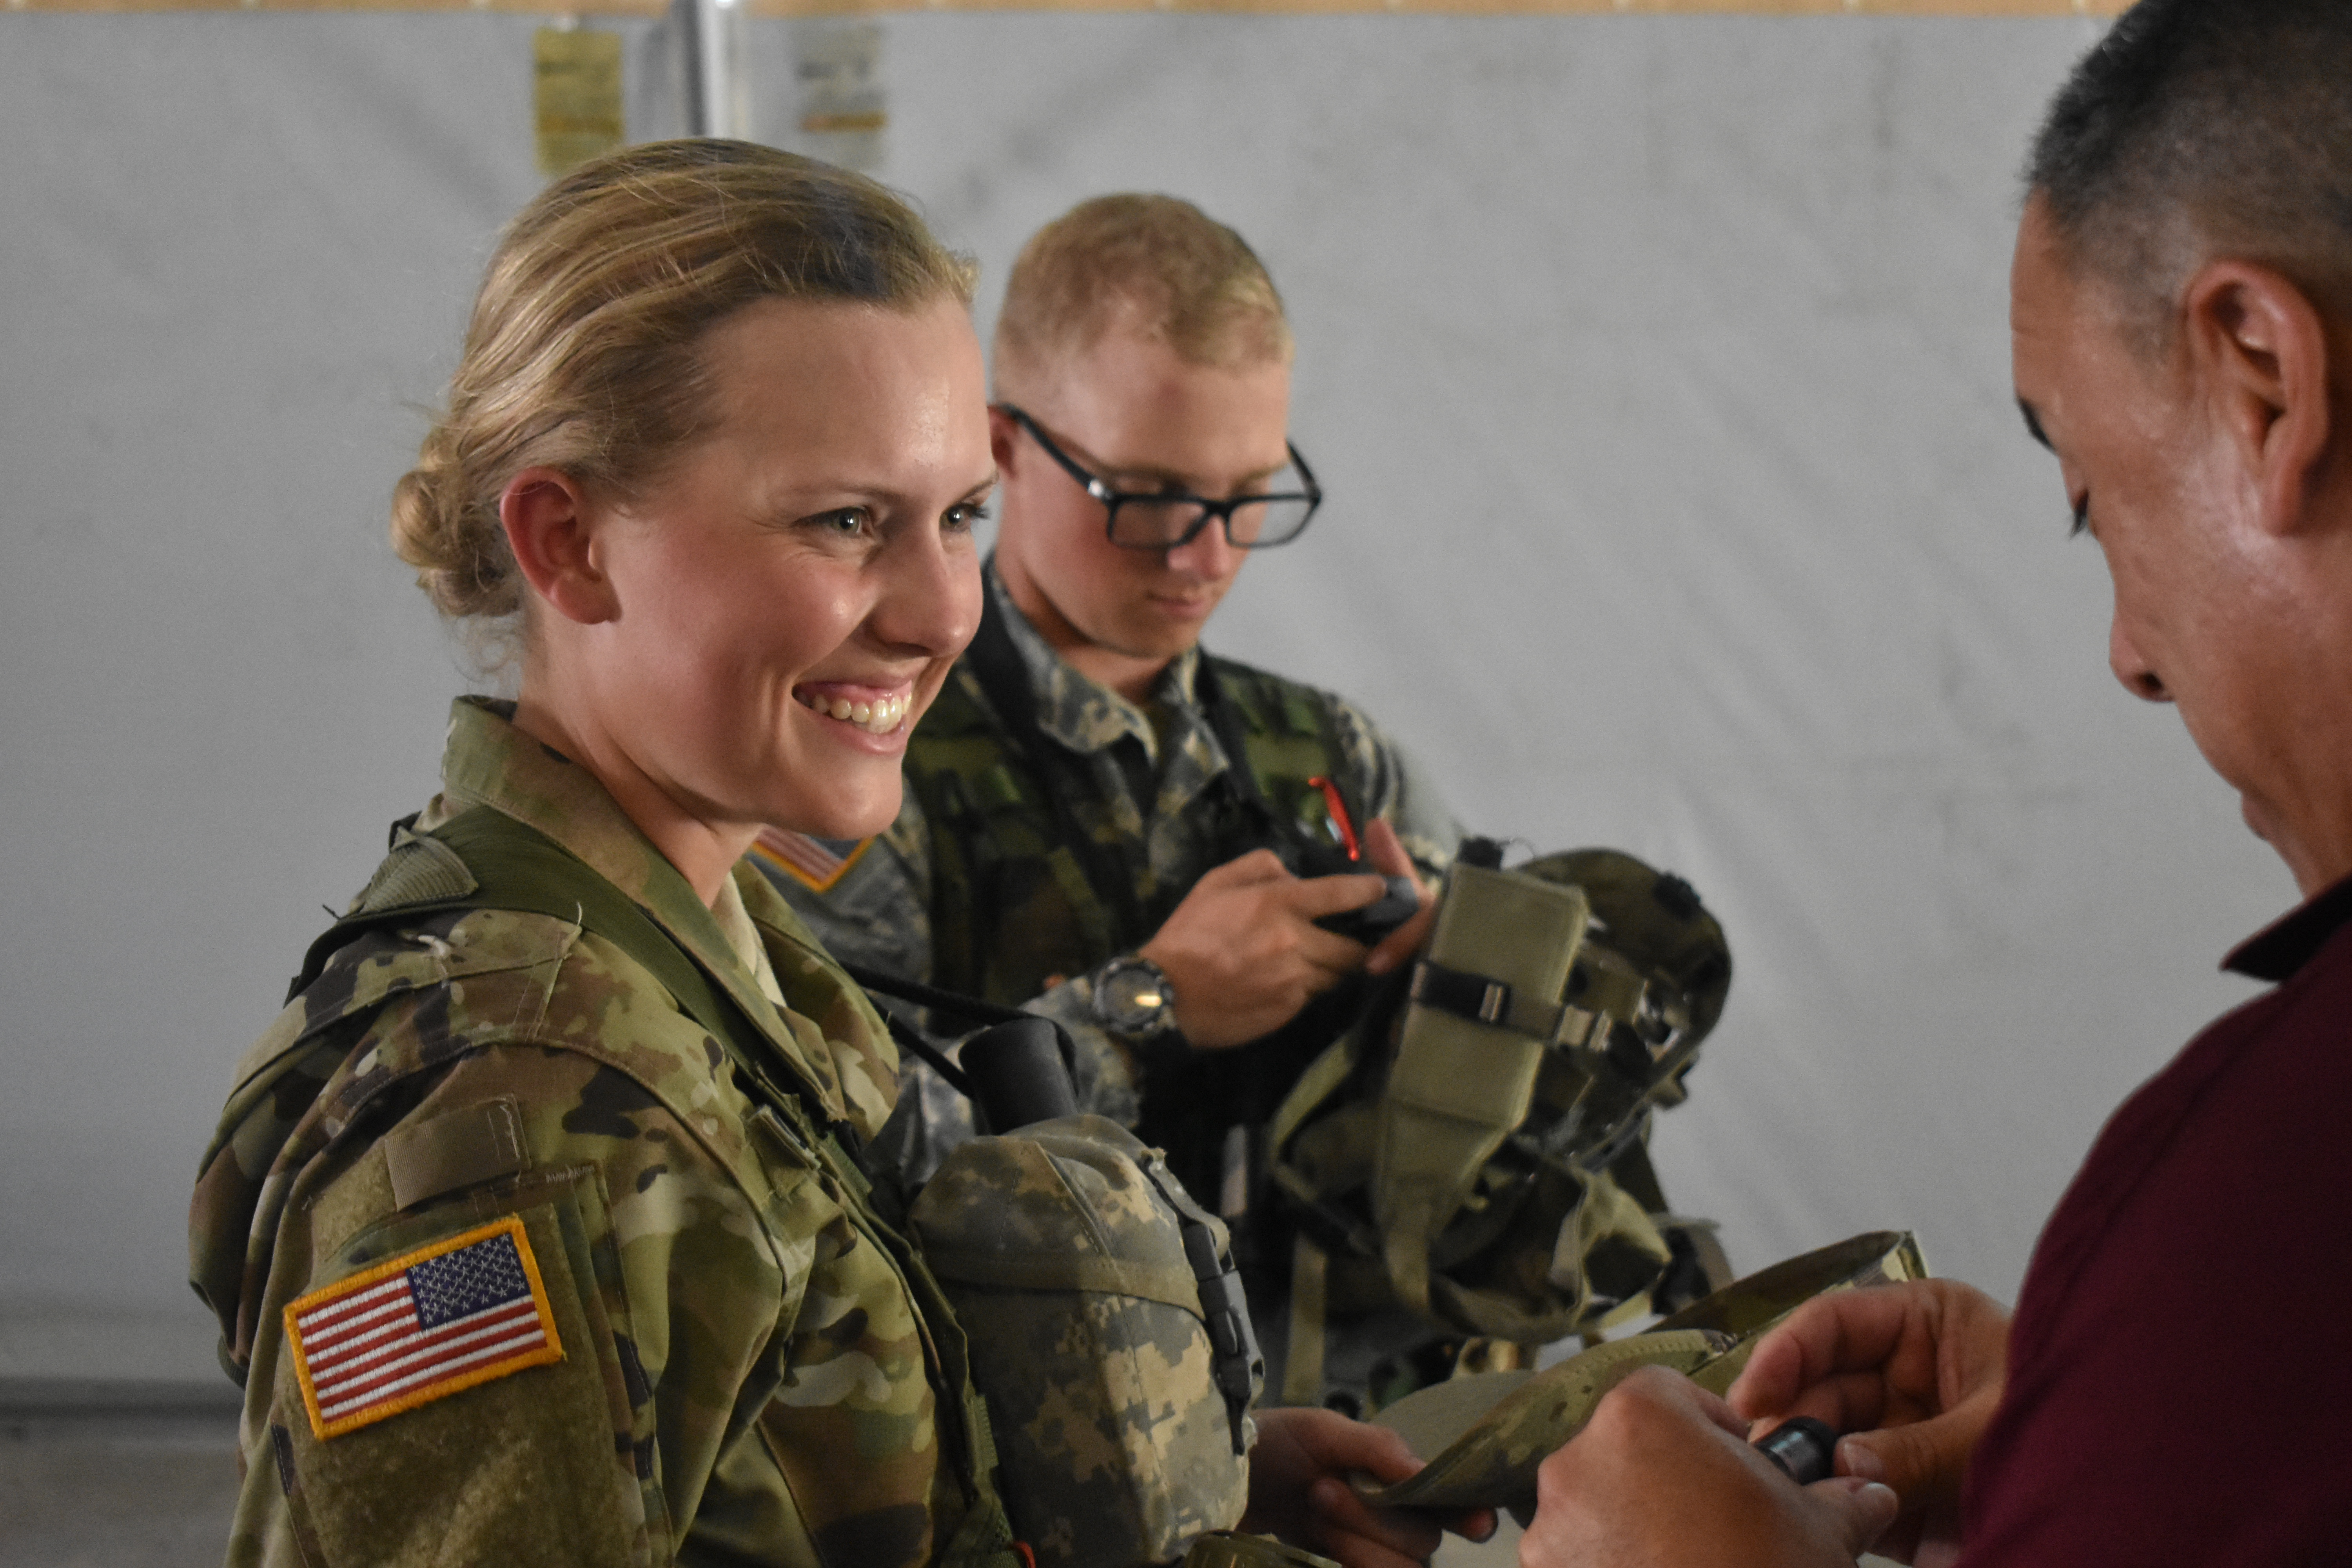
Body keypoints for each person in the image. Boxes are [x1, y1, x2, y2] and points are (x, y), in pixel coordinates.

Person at [186, 140, 1462, 1568]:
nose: (942, 615)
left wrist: (1171, 1493)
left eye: (961, 518)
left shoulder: (704, 965)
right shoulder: (518, 1105)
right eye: (846, 521)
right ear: (571, 542)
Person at [1515, 0, 2352, 1561]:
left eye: (2090, 496)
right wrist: (2091, 1416)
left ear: (2262, 377)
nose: (2132, 657)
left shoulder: (2276, 1219)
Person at [756, 193, 1459, 1213]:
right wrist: (1145, 1011)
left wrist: (1446, 1007)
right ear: (1003, 448)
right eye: (1149, 495)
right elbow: (813, 1154)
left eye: (1247, 495)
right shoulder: (865, 747)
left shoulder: (1337, 758)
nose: (1205, 555)